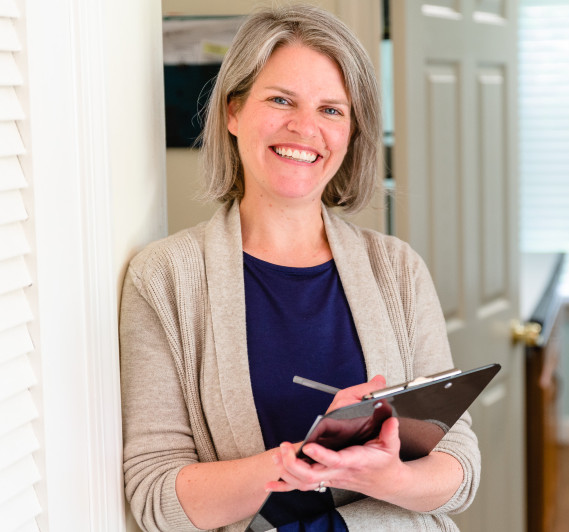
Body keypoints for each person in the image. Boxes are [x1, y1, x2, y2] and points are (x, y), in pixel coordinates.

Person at [119, 4, 480, 532]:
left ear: (352, 132)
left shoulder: (398, 269)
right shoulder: (164, 279)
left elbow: (460, 469)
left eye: (332, 110)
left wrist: (384, 475)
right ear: (233, 112)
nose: (304, 128)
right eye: (281, 100)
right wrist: (301, 461)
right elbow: (156, 499)